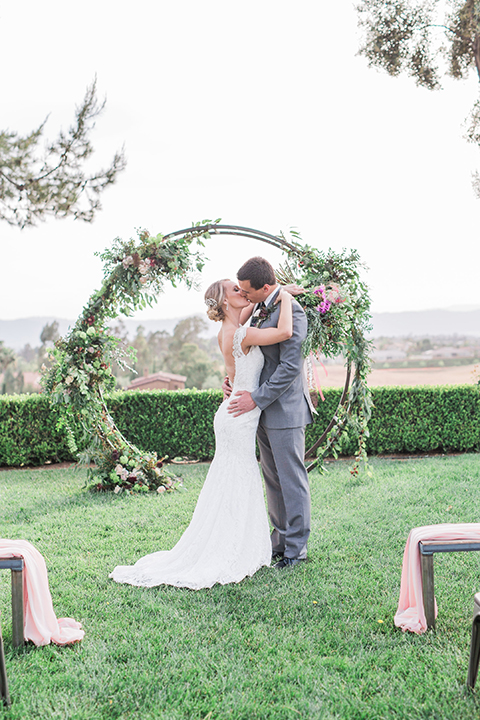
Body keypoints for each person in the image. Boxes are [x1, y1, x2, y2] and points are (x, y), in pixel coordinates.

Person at [109, 279, 294, 590]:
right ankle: (231, 549)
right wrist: (286, 297)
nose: (242, 292)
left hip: (235, 411)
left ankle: (236, 543)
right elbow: (285, 332)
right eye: (235, 290)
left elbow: (255, 304)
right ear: (224, 302)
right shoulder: (239, 332)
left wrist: (277, 289)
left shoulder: (232, 326)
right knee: (237, 478)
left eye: (243, 288)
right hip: (238, 417)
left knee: (233, 480)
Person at [227, 256, 313, 569]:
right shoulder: (262, 307)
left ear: (265, 287)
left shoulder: (294, 312)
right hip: (262, 410)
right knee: (272, 479)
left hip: (284, 410)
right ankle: (279, 540)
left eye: (248, 292)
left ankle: (296, 550)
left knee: (291, 480)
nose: (244, 296)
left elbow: (290, 366)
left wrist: (256, 398)